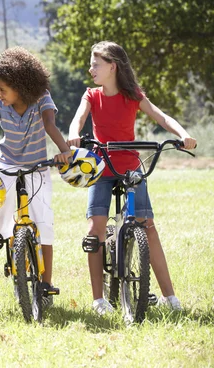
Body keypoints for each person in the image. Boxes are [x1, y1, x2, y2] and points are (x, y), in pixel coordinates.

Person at [67, 41, 197, 315]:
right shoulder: (91, 95)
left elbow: (161, 117)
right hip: (101, 168)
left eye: (96, 64)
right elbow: (78, 120)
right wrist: (73, 135)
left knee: (147, 226)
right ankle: (98, 300)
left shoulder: (133, 95)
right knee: (96, 229)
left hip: (130, 168)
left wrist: (182, 134)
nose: (91, 69)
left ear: (112, 66)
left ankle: (170, 298)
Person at [0, 47, 70, 310]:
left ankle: (45, 287)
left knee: (44, 225)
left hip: (37, 168)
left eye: (3, 89)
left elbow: (50, 125)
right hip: (6, 166)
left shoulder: (42, 98)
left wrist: (64, 151)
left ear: (21, 87)